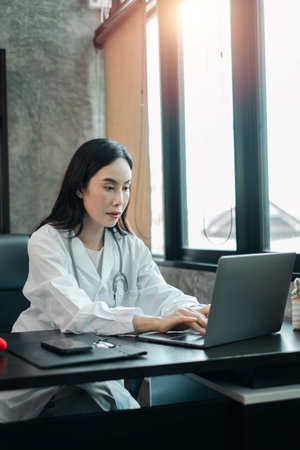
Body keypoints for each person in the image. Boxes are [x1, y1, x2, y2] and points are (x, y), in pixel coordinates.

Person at [0, 138, 210, 422]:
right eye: (109, 187)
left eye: (125, 188)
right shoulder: (46, 241)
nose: (118, 200)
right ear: (80, 187)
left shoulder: (129, 245)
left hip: (96, 365)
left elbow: (159, 292)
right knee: (96, 403)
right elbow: (76, 315)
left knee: (102, 402)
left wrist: (196, 310)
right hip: (40, 375)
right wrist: (156, 322)